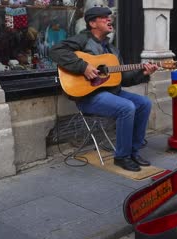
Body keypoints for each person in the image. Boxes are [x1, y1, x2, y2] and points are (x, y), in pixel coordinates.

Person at [50, 7, 158, 172]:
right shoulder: (82, 40)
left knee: (144, 103)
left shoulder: (112, 50)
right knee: (126, 107)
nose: (110, 20)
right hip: (89, 97)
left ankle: (133, 152)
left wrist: (142, 72)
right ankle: (121, 156)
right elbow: (56, 50)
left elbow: (121, 79)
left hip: (112, 93)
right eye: (104, 18)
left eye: (110, 17)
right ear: (92, 23)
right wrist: (83, 66)